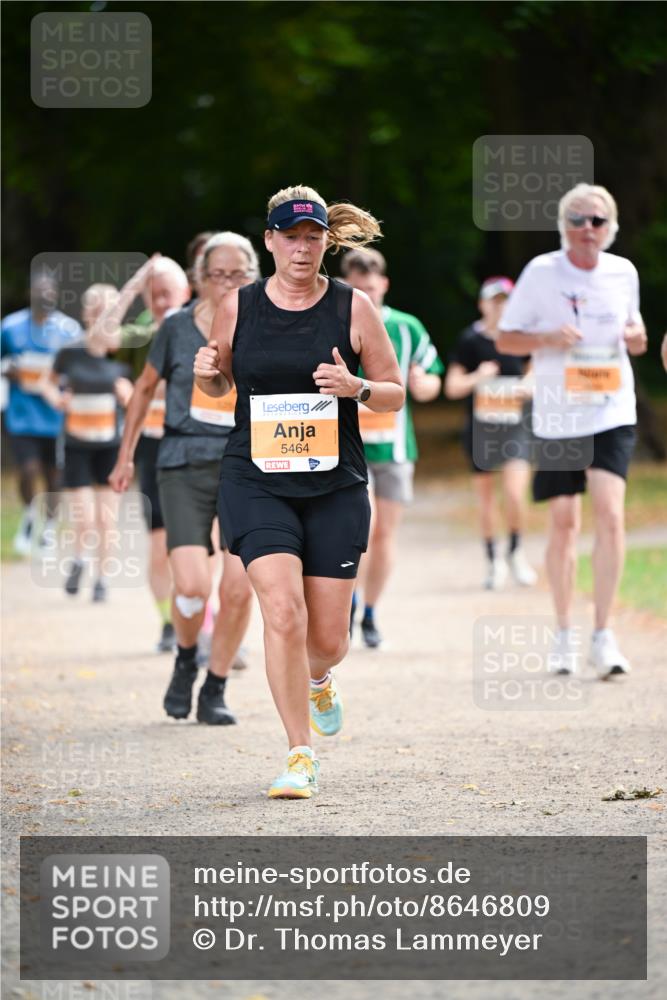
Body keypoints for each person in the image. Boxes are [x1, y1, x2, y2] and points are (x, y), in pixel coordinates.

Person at [194, 185, 404, 799]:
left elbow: (393, 390)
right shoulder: (237, 306)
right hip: (255, 480)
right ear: (271, 241)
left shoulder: (353, 306)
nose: (302, 248)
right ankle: (298, 753)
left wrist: (354, 386)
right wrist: (210, 377)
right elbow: (219, 388)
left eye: (313, 237)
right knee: (282, 610)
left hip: (333, 484)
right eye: (291, 237)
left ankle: (319, 678)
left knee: (328, 640)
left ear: (325, 241)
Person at [497, 183, 648, 678]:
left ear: (611, 228)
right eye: (579, 220)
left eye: (598, 221)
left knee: (610, 513)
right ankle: (564, 633)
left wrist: (636, 337)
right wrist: (545, 337)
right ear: (564, 226)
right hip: (559, 410)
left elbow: (638, 335)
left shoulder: (623, 271)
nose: (588, 229)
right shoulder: (542, 272)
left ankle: (603, 635)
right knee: (565, 521)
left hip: (610, 407)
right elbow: (506, 336)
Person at [109, 233, 257, 725]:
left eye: (238, 274)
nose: (227, 283)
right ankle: (185, 657)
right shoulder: (174, 327)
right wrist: (126, 456)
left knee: (238, 588)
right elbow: (144, 389)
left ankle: (214, 688)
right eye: (218, 273)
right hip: (181, 461)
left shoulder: (264, 325)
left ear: (253, 276)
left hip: (248, 465)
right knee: (192, 586)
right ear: (199, 277)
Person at [340, 248, 444, 646]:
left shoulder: (405, 327)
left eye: (370, 288)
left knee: (385, 534)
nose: (364, 295)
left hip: (396, 449)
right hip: (349, 449)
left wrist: (424, 385)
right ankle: (346, 601)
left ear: (383, 285)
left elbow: (432, 374)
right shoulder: (333, 324)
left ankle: (370, 612)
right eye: (356, 289)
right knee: (358, 528)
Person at [101, 255, 191, 651]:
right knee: (159, 546)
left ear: (186, 292)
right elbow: (102, 339)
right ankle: (168, 623)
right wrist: (136, 285)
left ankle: (203, 623)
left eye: (167, 293)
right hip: (154, 446)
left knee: (203, 544)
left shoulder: (198, 326)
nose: (160, 302)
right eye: (153, 296)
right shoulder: (142, 331)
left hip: (195, 445)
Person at [41, 284, 133, 601]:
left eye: (108, 307)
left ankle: (102, 580)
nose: (102, 313)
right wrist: (57, 399)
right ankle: (79, 560)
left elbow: (140, 398)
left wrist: (127, 394)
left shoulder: (122, 354)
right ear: (86, 312)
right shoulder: (71, 352)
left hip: (110, 445)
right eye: (96, 307)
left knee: (107, 519)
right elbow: (47, 385)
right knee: (84, 517)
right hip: (77, 445)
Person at [445, 277, 537, 590]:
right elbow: (453, 387)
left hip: (515, 428)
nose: (500, 306)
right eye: (494, 300)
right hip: (482, 431)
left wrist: (529, 385)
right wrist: (478, 377)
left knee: (514, 493)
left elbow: (536, 371)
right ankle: (493, 560)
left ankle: (516, 550)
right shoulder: (470, 340)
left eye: (505, 300)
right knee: (485, 500)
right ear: (482, 304)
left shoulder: (520, 338)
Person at [1, 271, 80, 554]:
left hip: (56, 415)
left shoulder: (69, 330)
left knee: (54, 476)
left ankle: (48, 528)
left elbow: (79, 367)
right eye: (39, 292)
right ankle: (29, 515)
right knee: (28, 469)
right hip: (22, 414)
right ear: (29, 294)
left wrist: (65, 384)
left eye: (50, 293)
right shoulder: (10, 327)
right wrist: (9, 370)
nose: (44, 297)